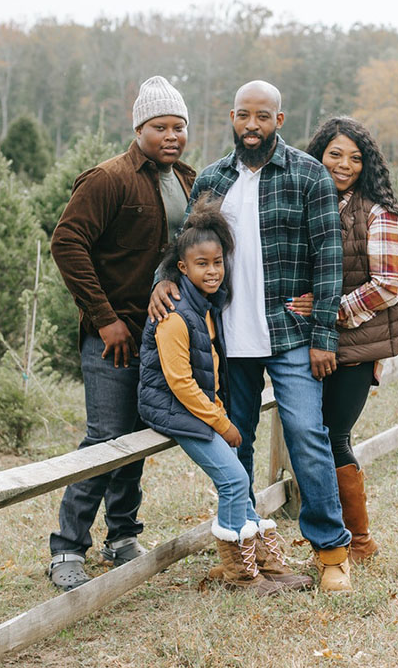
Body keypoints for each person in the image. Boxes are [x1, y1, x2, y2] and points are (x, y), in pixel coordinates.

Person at [149, 80, 354, 592]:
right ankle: (239, 557)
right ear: (232, 117)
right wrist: (162, 282)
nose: (252, 125)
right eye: (244, 115)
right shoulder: (212, 180)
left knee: (308, 436)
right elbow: (187, 251)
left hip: (289, 334)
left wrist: (323, 334)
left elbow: (329, 261)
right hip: (226, 340)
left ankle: (332, 552)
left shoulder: (309, 176)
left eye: (263, 117)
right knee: (234, 440)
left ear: (279, 121)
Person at [46, 76, 196, 592]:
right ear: (139, 128)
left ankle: (123, 537)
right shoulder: (108, 179)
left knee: (137, 439)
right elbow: (67, 244)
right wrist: (105, 318)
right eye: (160, 126)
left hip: (160, 337)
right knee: (105, 438)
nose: (171, 135)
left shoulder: (188, 180)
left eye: (179, 126)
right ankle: (67, 547)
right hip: (113, 336)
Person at [137, 196, 311, 595]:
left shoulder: (208, 305)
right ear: (183, 268)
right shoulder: (174, 314)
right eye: (202, 264)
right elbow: (180, 383)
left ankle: (264, 561)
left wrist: (217, 413)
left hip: (201, 408)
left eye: (218, 262)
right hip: (175, 409)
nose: (213, 271)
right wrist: (223, 422)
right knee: (234, 480)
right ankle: (240, 575)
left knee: (238, 477)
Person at [292, 116, 398, 562]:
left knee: (332, 435)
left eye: (355, 158)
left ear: (368, 167)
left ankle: (358, 541)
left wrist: (330, 312)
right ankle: (331, 534)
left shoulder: (376, 213)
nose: (344, 165)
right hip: (317, 342)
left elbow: (387, 285)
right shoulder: (312, 203)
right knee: (312, 433)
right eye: (335, 154)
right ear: (317, 155)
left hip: (354, 343)